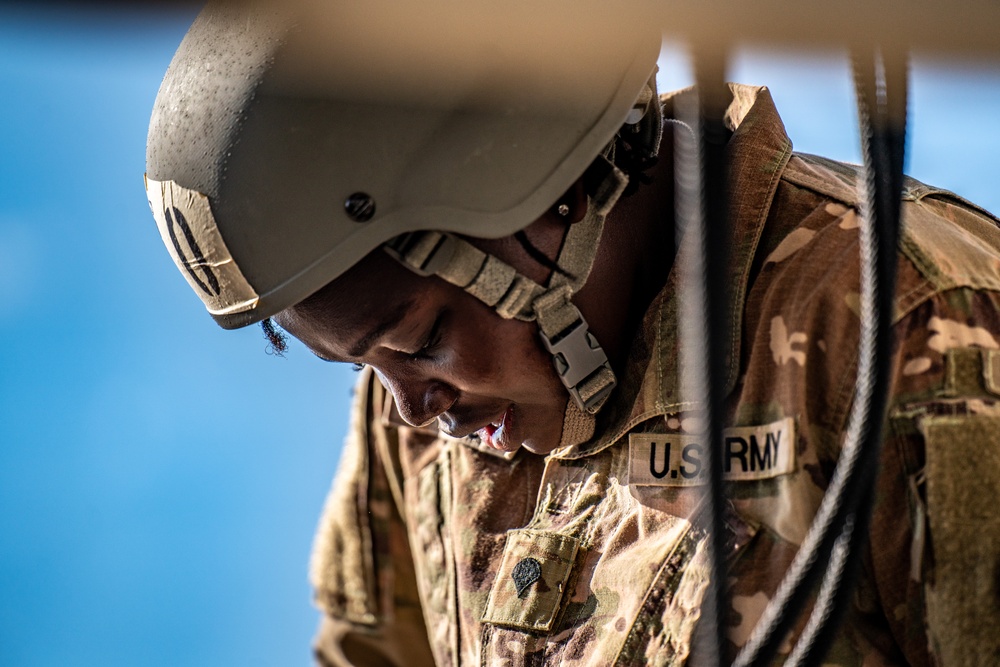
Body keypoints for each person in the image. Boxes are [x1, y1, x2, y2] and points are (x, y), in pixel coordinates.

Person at [145, 2, 1000, 665]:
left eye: (421, 339)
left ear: (555, 206)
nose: (408, 409)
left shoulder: (913, 329)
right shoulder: (413, 413)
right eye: (359, 361)